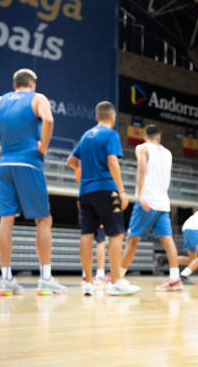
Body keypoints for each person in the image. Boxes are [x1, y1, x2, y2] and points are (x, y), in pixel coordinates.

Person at [0, 68, 66, 296]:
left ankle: (6, 280)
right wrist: (43, 146)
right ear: (32, 84)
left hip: (4, 165)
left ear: (15, 85)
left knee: (6, 220)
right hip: (29, 162)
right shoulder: (37, 98)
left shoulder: (0, 101)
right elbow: (49, 119)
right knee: (44, 219)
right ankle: (45, 279)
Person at [66, 101, 140, 296]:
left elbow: (71, 161)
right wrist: (122, 191)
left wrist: (81, 172)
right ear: (113, 117)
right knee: (116, 234)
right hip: (106, 188)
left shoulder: (85, 136)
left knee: (87, 234)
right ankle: (115, 282)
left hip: (85, 191)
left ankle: (88, 282)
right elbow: (112, 161)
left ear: (97, 116)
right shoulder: (110, 134)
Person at [119, 124, 183, 292]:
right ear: (159, 137)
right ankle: (175, 278)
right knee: (168, 241)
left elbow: (141, 169)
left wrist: (140, 195)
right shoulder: (168, 153)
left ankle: (117, 279)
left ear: (144, 136)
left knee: (132, 240)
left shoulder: (143, 147)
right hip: (163, 202)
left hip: (147, 201)